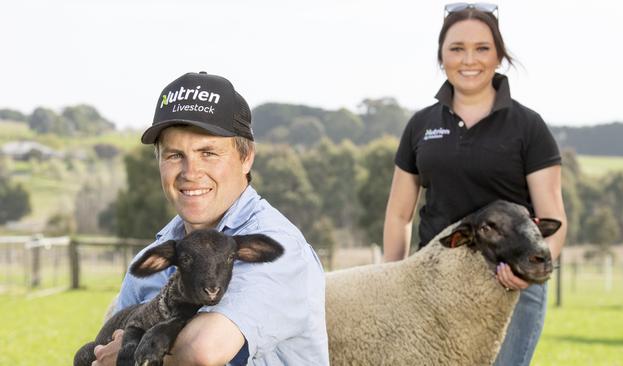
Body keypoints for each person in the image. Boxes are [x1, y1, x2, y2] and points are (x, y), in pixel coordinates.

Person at [92, 72, 329, 366]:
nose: (190, 172)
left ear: (246, 157)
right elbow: (107, 351)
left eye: (208, 153)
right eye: (174, 155)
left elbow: (202, 350)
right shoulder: (151, 258)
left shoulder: (278, 249)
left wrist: (132, 355)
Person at [382, 3, 567, 366]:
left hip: (509, 284)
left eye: (482, 48)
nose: (469, 59)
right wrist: (389, 282)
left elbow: (553, 217)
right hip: (433, 283)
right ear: (441, 56)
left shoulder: (529, 127)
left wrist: (528, 272)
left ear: (499, 55)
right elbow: (399, 214)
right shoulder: (421, 126)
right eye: (456, 48)